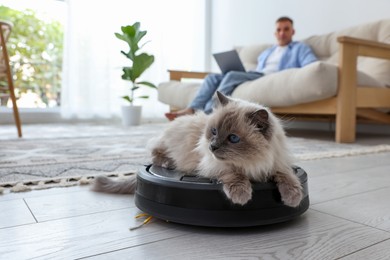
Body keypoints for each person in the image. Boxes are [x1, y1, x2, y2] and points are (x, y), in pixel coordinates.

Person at [165, 16, 318, 121]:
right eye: (279, 29)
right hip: (254, 74)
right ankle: (192, 109)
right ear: (275, 32)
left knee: (231, 75)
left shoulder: (299, 48)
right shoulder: (268, 52)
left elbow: (311, 64)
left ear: (293, 31)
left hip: (268, 77)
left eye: (286, 29)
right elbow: (258, 68)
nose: (282, 33)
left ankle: (209, 113)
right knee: (212, 77)